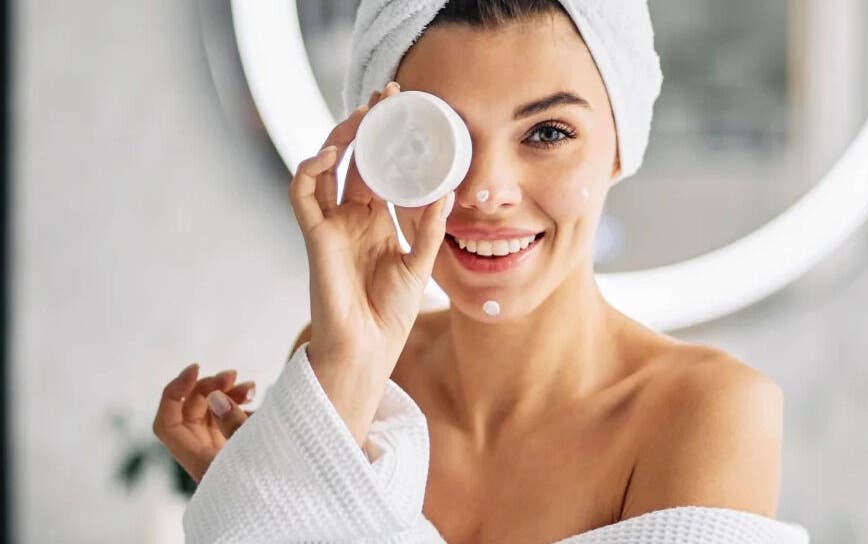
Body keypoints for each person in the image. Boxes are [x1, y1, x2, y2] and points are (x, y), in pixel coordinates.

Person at [154, 1, 808, 542]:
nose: (487, 190)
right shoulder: (353, 371)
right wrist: (273, 484)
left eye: (548, 133)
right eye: (440, 138)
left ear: (619, 147)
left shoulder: (706, 415)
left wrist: (292, 504)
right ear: (380, 154)